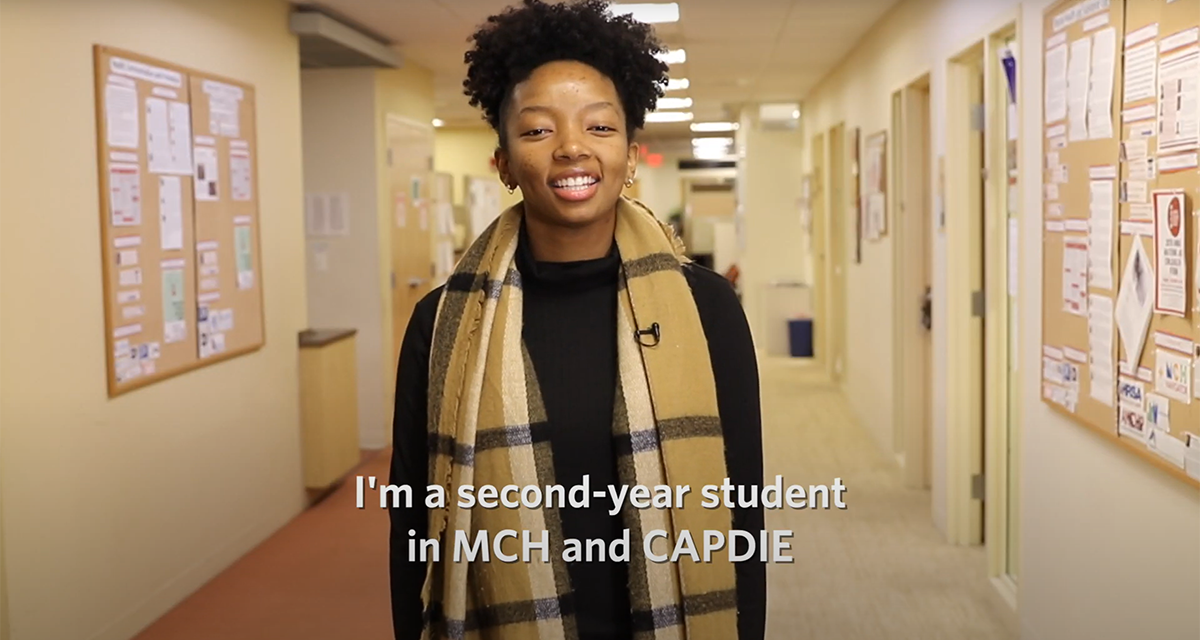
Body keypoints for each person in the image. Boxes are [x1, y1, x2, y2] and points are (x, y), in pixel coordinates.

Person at [388, 1, 765, 638]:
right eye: (537, 131)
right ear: (503, 163)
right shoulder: (444, 324)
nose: (571, 149)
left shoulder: (707, 308)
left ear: (628, 152)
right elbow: (415, 525)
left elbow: (741, 514)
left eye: (599, 128)